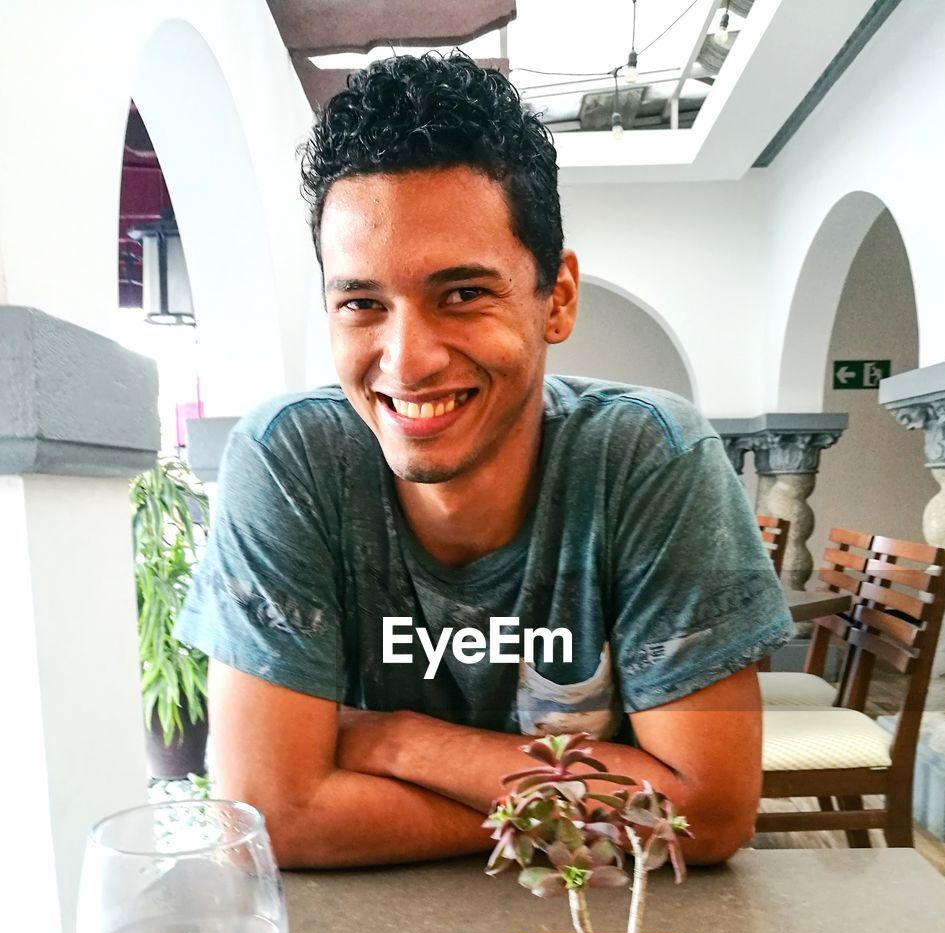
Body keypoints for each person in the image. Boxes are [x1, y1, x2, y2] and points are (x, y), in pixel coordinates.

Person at [175, 53, 792, 870]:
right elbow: (269, 818)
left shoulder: (649, 455)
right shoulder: (293, 459)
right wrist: (579, 810)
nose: (408, 359)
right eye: (362, 303)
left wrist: (397, 742)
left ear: (558, 298)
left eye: (462, 293)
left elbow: (706, 816)